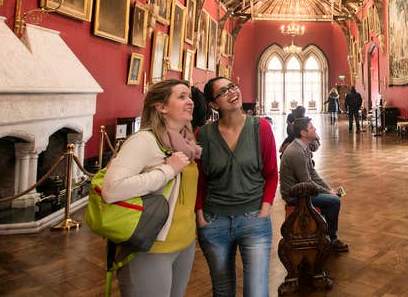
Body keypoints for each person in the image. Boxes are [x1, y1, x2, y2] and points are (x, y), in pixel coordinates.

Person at [101, 79, 201, 297]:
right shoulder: (144, 141)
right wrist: (166, 171)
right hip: (151, 245)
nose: (190, 102)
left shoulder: (187, 142)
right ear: (161, 107)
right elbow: (112, 189)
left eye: (190, 96)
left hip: (184, 243)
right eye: (181, 96)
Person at [196, 77, 278, 297]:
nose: (232, 92)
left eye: (233, 86)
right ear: (213, 104)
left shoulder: (261, 128)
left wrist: (265, 210)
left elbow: (271, 174)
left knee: (257, 292)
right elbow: (200, 179)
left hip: (254, 219)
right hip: (214, 222)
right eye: (223, 91)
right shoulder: (203, 135)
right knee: (222, 291)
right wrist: (200, 213)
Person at [279, 117, 348, 252]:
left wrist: (329, 189)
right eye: (311, 128)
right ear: (303, 133)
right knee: (334, 201)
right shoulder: (296, 152)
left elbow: (313, 173)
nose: (315, 129)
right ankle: (332, 239)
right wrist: (328, 193)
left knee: (333, 197)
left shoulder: (303, 147)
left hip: (303, 189)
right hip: (295, 195)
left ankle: (324, 235)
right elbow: (307, 183)